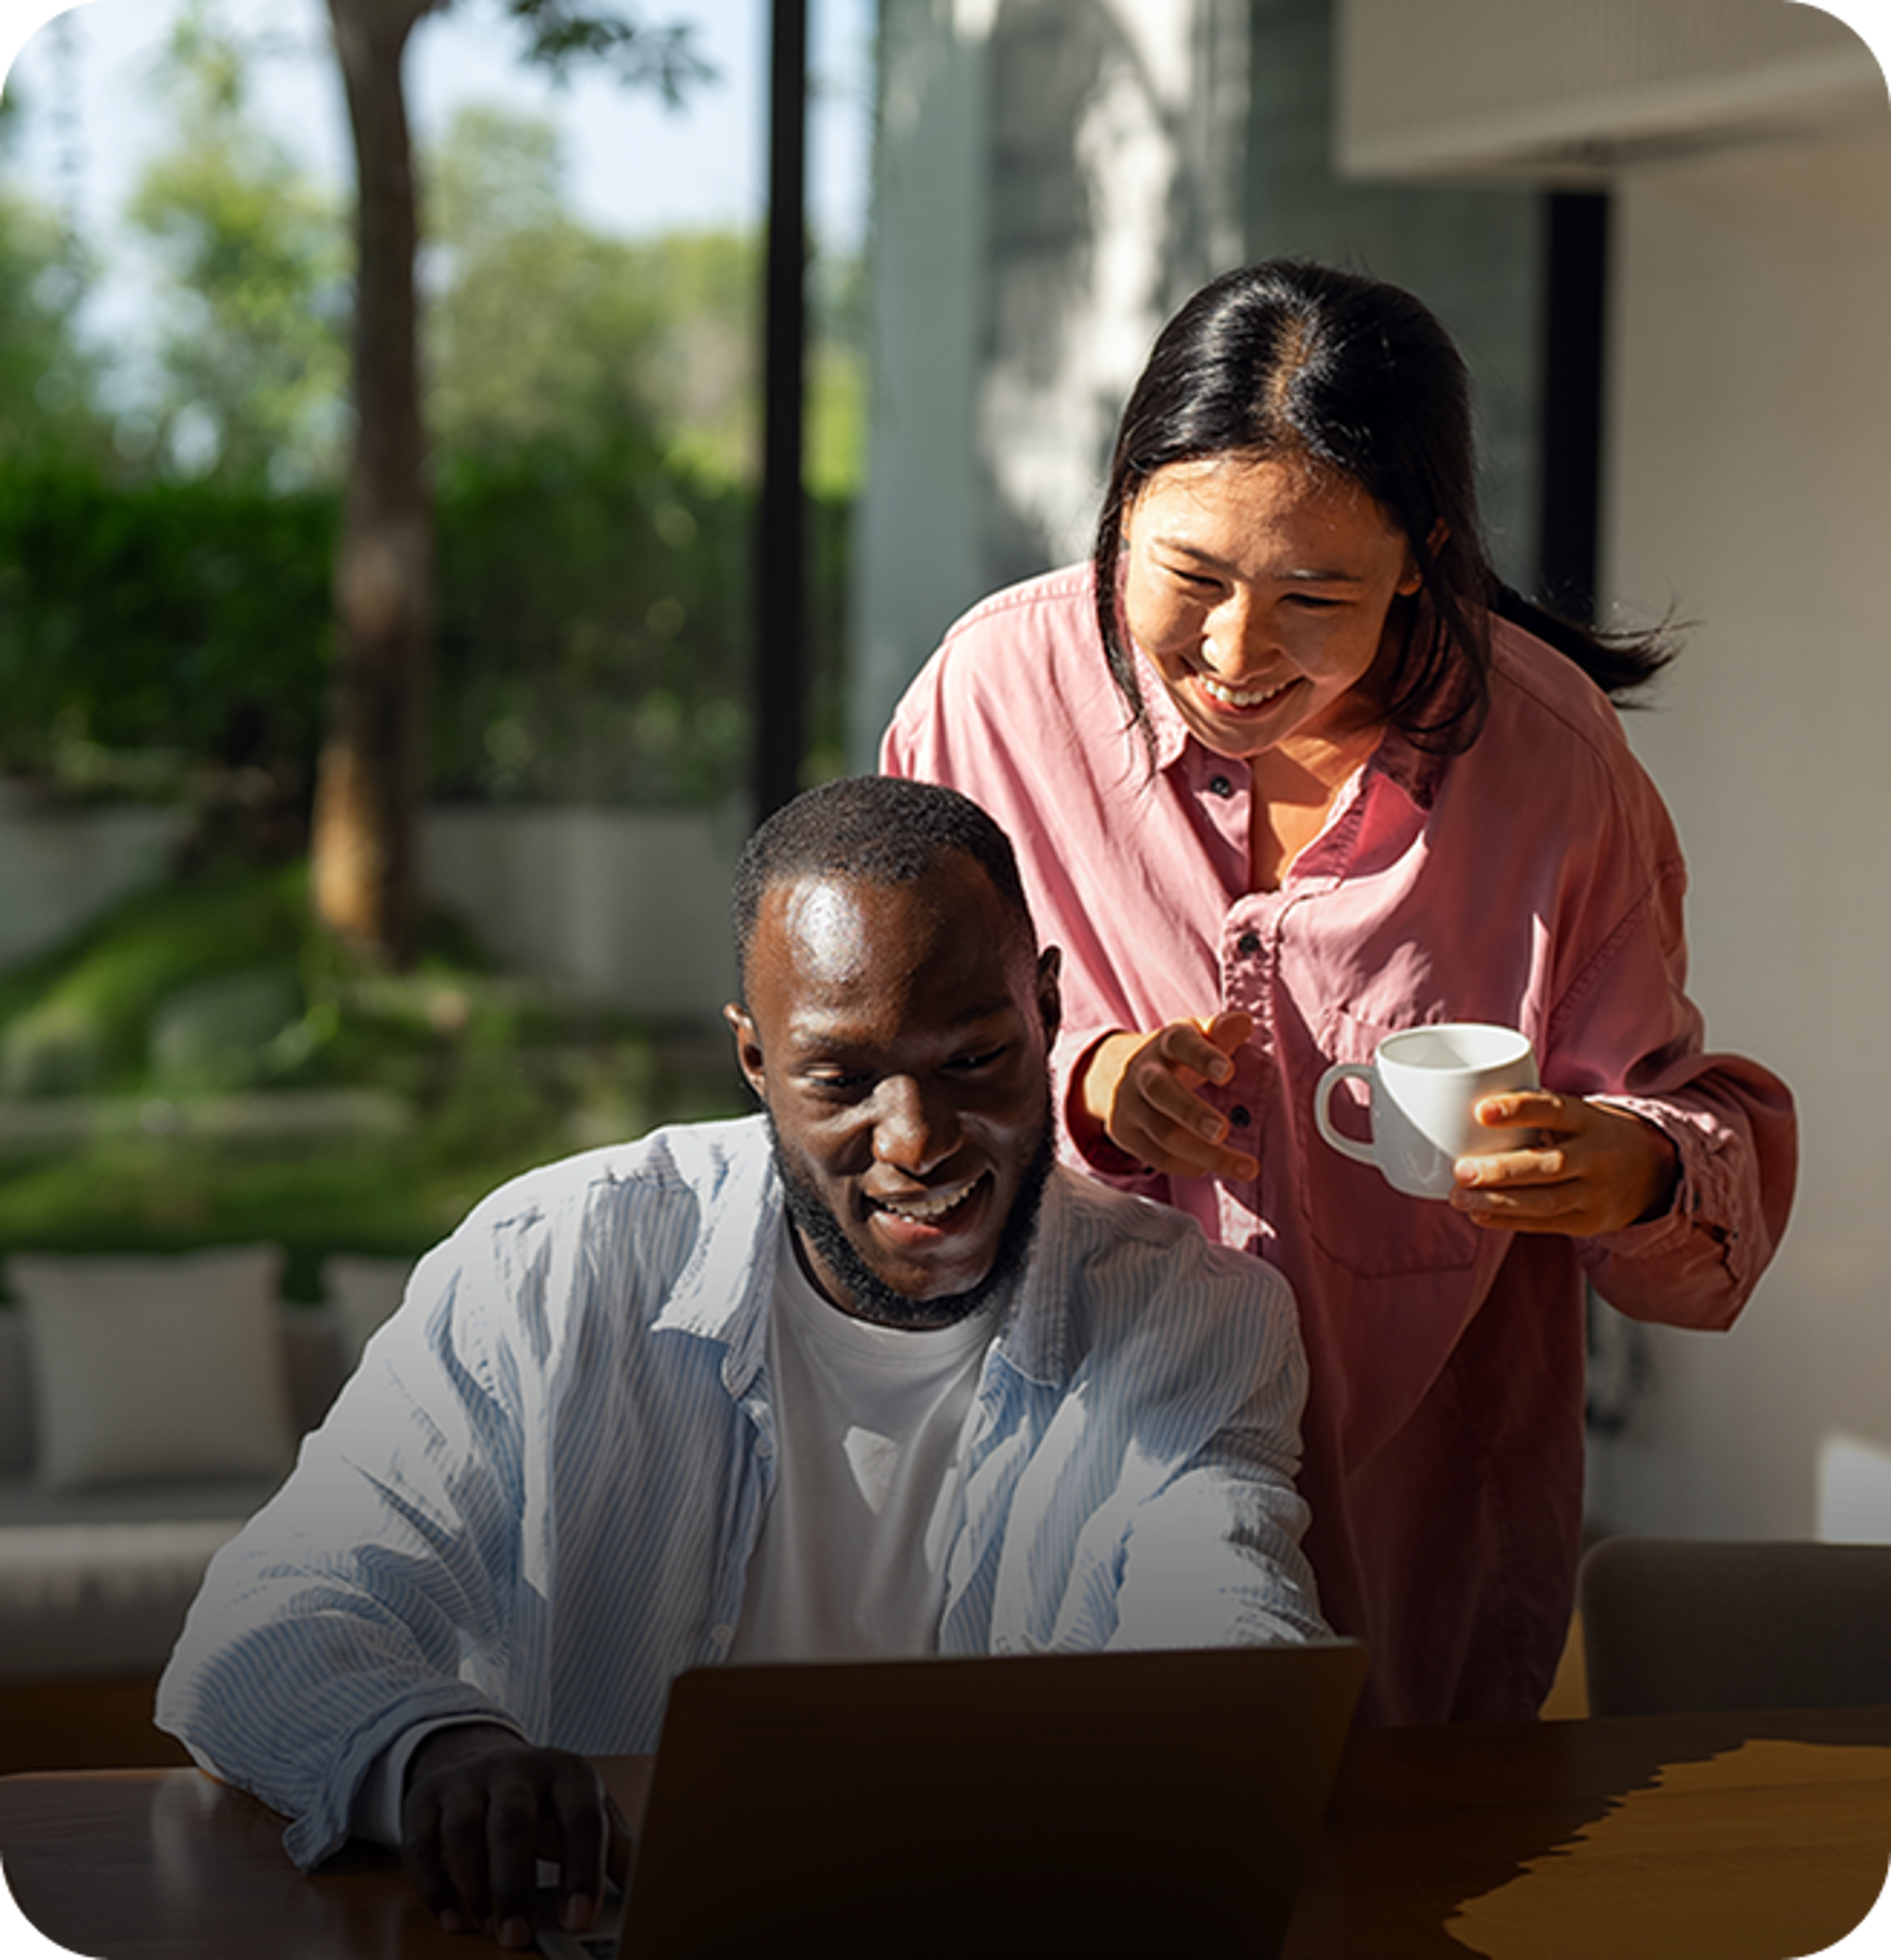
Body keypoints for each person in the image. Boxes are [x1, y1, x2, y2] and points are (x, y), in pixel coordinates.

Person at [156, 774, 1324, 1951]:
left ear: (1050, 1013)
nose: (915, 1139)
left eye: (975, 1060)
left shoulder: (1191, 1314)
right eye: (842, 1081)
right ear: (756, 1061)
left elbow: (1234, 1655)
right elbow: (264, 1629)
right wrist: (438, 1752)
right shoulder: (550, 1267)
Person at [880, 258, 1797, 1729]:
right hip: (1039, 1507)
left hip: (1416, 1546)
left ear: (1424, 557)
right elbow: (872, 1076)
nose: (1238, 658)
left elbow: (1684, 1145)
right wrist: (1086, 1083)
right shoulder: (989, 695)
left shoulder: (1553, 762)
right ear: (1122, 505)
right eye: (1187, 579)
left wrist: (1632, 1167)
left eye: (1316, 596)